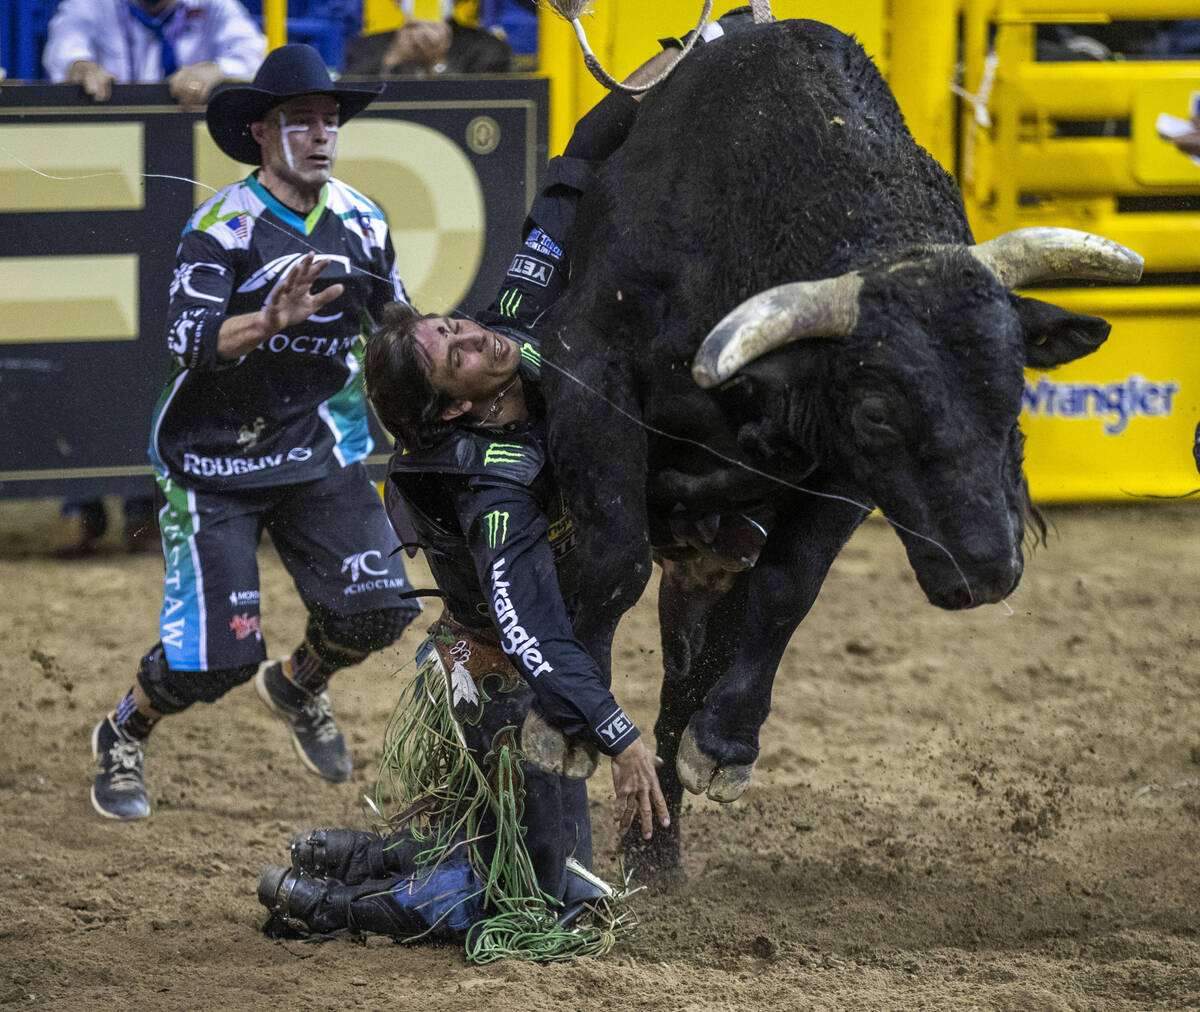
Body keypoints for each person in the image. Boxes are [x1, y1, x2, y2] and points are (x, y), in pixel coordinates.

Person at [257, 64, 680, 953]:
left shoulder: (515, 320)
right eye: (453, 352)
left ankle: (353, 858)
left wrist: (677, 57)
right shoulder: (493, 486)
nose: (472, 335)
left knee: (526, 864)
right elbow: (530, 631)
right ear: (455, 405)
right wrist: (620, 738)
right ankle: (340, 902)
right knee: (551, 904)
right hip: (496, 680)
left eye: (450, 325)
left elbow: (568, 175)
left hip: (501, 665)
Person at [89, 43, 421, 821]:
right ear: (263, 135)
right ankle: (122, 731)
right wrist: (265, 320)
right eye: (300, 121)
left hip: (314, 446)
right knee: (219, 661)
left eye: (329, 120)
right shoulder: (222, 227)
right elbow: (184, 342)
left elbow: (396, 326)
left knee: (376, 611)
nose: (320, 135)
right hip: (209, 460)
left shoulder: (363, 220)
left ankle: (299, 683)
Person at [42, 0, 266, 105]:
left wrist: (216, 70)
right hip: (114, 130)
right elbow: (64, 43)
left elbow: (252, 51)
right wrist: (79, 65)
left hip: (187, 123)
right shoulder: (91, 4)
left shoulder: (214, 5)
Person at [342, 3, 513, 79]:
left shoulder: (489, 49)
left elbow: (485, 107)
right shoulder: (364, 47)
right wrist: (391, 61)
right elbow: (350, 101)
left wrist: (437, 65)